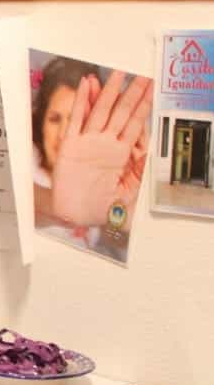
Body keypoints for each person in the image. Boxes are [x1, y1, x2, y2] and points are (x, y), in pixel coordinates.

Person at [31, 56, 151, 262]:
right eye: (54, 119)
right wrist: (60, 205)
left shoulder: (102, 178)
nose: (63, 135)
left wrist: (122, 213)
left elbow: (114, 240)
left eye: (75, 121)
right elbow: (26, 200)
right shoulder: (29, 172)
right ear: (40, 122)